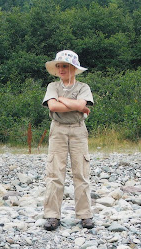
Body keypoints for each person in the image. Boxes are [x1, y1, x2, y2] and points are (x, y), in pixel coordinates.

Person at [41, 50, 95, 231]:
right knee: (55, 173)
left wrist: (66, 102)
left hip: (79, 130)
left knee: (81, 172)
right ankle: (52, 215)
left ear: (74, 68)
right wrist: (75, 105)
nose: (62, 69)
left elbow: (82, 105)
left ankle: (85, 215)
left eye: (65, 66)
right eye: (59, 66)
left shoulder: (83, 87)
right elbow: (53, 105)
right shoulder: (52, 87)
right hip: (58, 129)